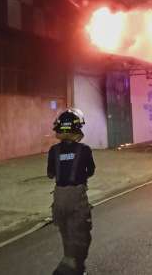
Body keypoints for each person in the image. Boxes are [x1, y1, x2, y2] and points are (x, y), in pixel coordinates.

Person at [47, 109, 96, 275]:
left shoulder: (53, 151)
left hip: (59, 199)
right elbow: (91, 171)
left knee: (66, 234)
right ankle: (76, 269)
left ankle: (69, 262)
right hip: (77, 199)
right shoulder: (85, 149)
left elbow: (50, 174)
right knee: (82, 237)